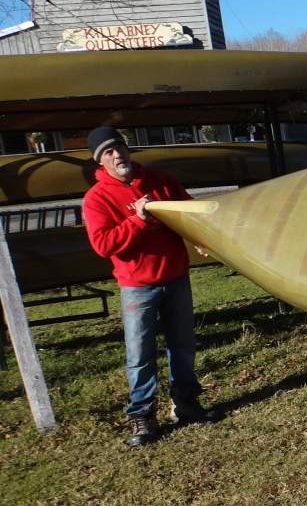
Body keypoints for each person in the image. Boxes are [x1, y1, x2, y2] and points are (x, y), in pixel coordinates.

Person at [82, 126, 217, 445]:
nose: (117, 155)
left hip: (176, 278)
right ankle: (142, 417)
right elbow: (103, 244)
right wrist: (138, 219)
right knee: (140, 354)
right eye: (108, 152)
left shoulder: (161, 181)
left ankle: (185, 403)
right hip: (137, 286)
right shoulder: (96, 199)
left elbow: (188, 213)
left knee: (182, 344)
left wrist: (200, 238)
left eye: (120, 147)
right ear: (100, 161)